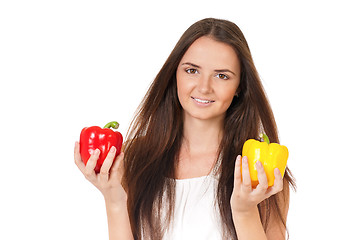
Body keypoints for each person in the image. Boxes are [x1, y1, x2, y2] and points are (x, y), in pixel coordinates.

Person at [74, 18, 295, 240]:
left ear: (240, 87)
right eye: (192, 70)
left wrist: (245, 212)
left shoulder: (262, 171)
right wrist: (114, 199)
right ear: (174, 75)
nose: (204, 87)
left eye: (222, 75)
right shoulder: (134, 158)